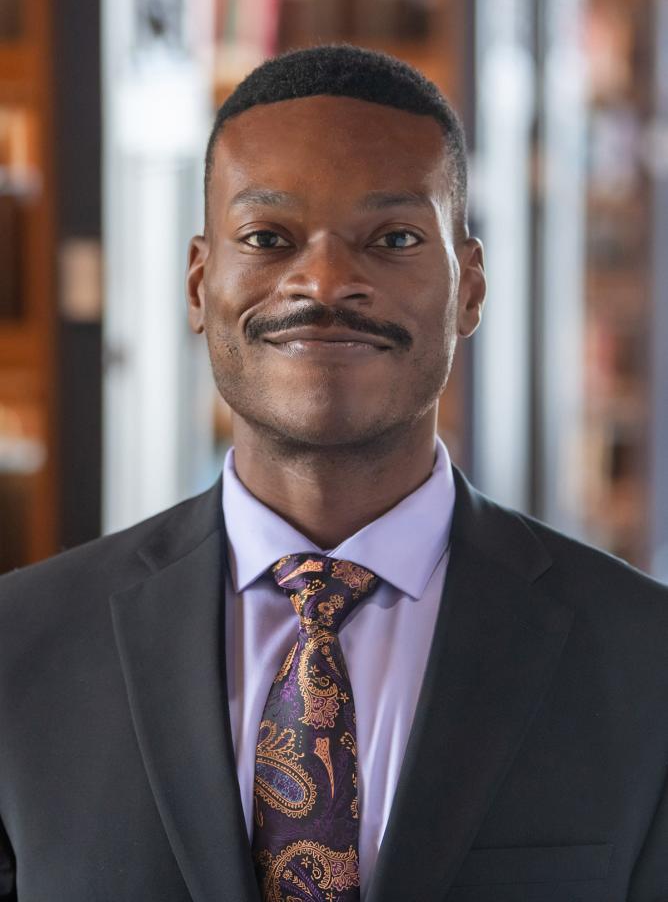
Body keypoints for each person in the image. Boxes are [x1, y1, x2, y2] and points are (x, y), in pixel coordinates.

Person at [0, 44, 667, 902]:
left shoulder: (644, 662)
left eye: (394, 239)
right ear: (200, 284)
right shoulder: (20, 647)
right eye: (267, 238)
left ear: (469, 289)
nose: (323, 281)